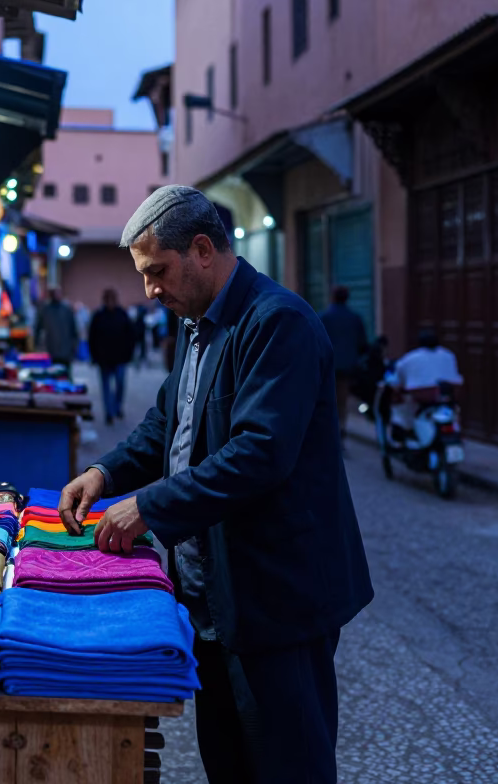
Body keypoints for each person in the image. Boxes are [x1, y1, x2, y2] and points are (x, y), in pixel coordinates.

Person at [56, 186, 373, 784]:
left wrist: (146, 508)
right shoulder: (196, 324)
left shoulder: (278, 323)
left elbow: (259, 455)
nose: (150, 290)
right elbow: (166, 423)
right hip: (211, 597)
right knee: (227, 763)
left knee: (287, 766)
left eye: (157, 272)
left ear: (202, 249)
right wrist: (104, 473)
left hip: (276, 595)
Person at [388, 328, 463, 438]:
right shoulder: (449, 355)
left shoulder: (410, 358)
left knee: (403, 409)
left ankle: (407, 431)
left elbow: (397, 380)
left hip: (423, 396)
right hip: (448, 395)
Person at [318, 286, 368, 443]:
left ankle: (329, 431)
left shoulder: (323, 317)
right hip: (347, 367)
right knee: (342, 400)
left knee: (325, 399)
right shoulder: (355, 318)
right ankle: (341, 428)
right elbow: (362, 344)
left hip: (326, 366)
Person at [88, 289, 135, 425]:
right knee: (106, 387)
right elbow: (92, 337)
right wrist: (94, 356)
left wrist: (129, 354)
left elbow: (130, 336)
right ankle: (109, 412)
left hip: (120, 357)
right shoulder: (98, 316)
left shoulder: (122, 315)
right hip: (103, 359)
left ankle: (117, 407)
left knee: (120, 384)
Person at [33, 288, 79, 369]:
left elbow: (74, 330)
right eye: (54, 294)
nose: (56, 296)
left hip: (66, 351)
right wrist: (36, 344)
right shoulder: (45, 309)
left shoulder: (66, 309)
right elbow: (38, 328)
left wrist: (74, 347)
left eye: (58, 293)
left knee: (65, 375)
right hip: (51, 350)